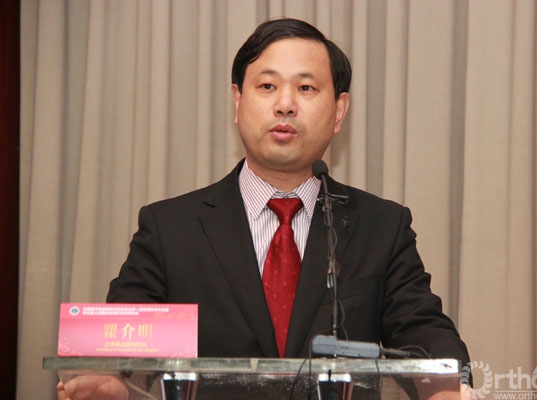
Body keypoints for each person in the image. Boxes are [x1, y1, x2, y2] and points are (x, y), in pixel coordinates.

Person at [58, 17, 471, 400]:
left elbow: (422, 331)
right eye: (268, 86)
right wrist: (110, 378)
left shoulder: (381, 226)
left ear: (339, 111)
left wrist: (447, 388)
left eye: (306, 88)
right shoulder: (170, 228)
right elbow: (123, 337)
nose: (285, 105)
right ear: (237, 102)